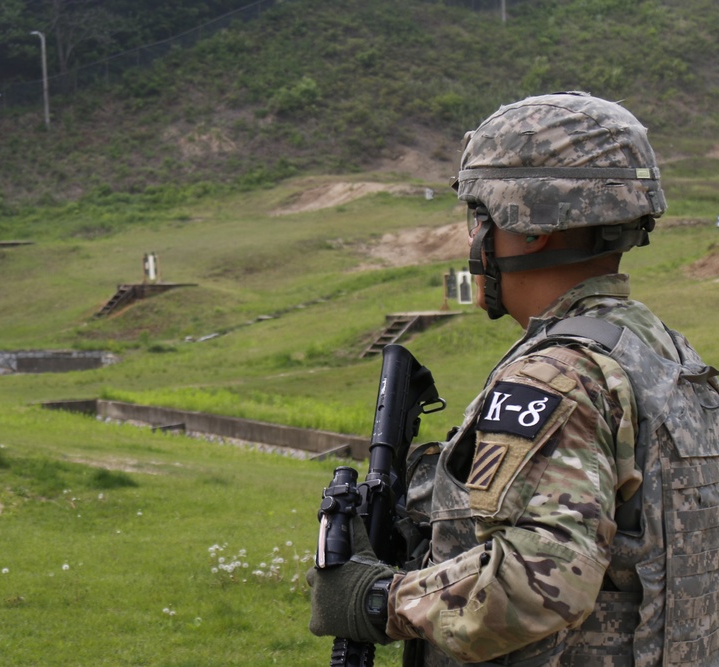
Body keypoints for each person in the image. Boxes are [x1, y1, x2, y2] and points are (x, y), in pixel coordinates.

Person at [308, 92, 719, 665]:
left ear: (531, 228)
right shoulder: (664, 353)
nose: (472, 240)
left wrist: (380, 600)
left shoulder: (557, 376)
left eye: (481, 216)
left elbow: (537, 583)